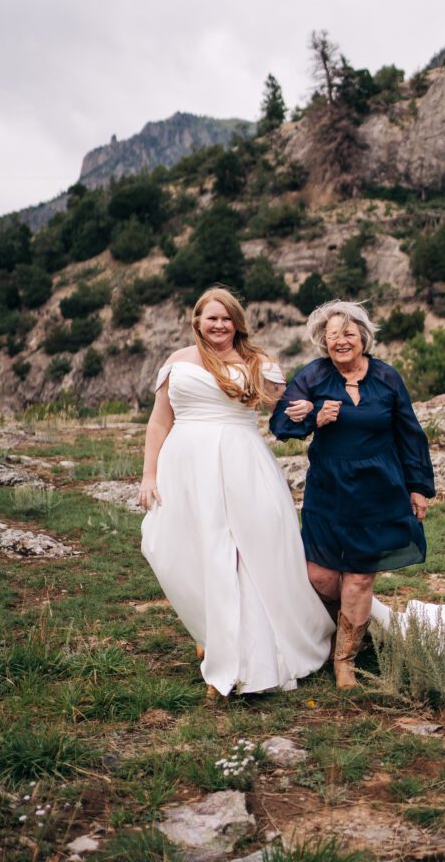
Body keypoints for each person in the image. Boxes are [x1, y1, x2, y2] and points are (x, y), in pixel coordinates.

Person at [139, 287, 333, 698]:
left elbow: (284, 412)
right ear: (197, 322)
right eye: (212, 318)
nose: (219, 325)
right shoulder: (176, 362)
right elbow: (158, 423)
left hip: (242, 464)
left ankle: (253, 651)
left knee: (249, 551)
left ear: (237, 323)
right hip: (187, 467)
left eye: (227, 318)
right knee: (180, 549)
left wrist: (304, 412)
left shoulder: (257, 364)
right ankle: (210, 628)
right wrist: (149, 475)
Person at [270, 300, 435, 690]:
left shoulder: (387, 377)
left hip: (379, 491)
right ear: (322, 343)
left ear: (363, 336)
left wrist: (419, 487)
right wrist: (313, 418)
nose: (341, 341)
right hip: (328, 491)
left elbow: (409, 434)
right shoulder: (312, 377)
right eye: (333, 336)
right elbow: (280, 423)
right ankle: (333, 629)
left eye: (348, 333)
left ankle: (344, 660)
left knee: (360, 578)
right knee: (320, 575)